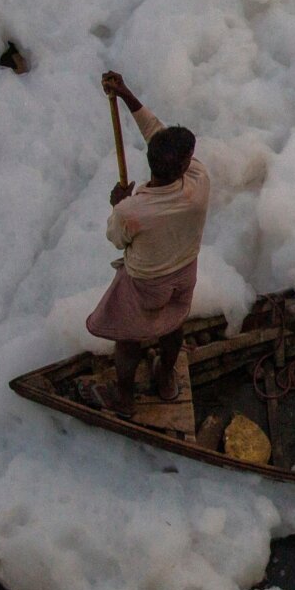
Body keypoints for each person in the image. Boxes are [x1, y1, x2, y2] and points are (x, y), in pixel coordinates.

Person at [83, 71, 208, 414]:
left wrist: (117, 204)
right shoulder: (198, 183)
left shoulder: (133, 209)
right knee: (173, 326)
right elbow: (156, 133)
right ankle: (166, 381)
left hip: (146, 283)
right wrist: (126, 94)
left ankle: (124, 400)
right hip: (184, 273)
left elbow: (116, 239)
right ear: (182, 166)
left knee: (129, 338)